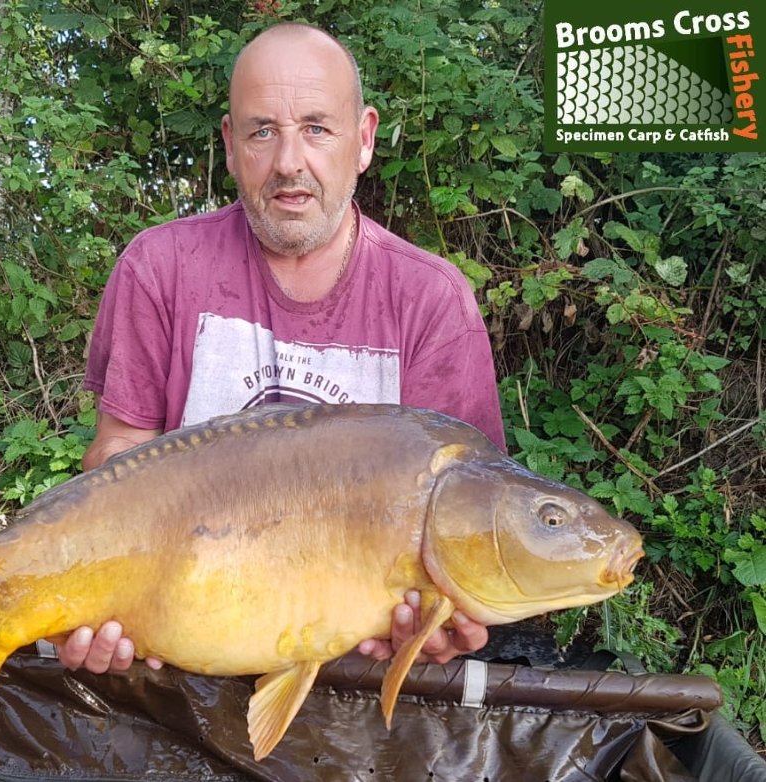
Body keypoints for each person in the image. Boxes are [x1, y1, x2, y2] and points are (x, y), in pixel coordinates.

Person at [56, 22, 506, 675]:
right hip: (183, 642)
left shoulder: (432, 301)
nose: (289, 161)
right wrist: (104, 596)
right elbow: (119, 455)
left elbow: (469, 511)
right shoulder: (160, 267)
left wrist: (448, 618)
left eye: (318, 128)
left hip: (354, 673)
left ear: (365, 140)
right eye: (262, 130)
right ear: (230, 146)